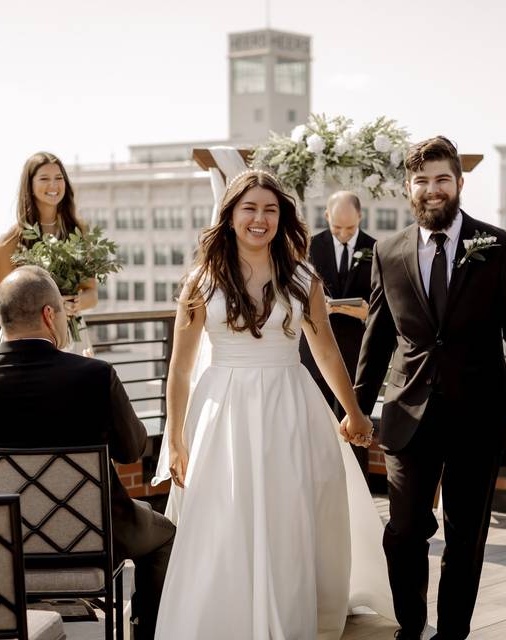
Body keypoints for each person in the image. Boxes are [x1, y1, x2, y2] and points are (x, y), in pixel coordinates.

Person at [153, 170, 392, 639]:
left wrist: (353, 410)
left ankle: (284, 619)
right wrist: (175, 439)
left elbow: (325, 350)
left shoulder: (303, 278)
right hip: (223, 409)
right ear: (230, 216)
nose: (260, 219)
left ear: (282, 218)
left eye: (270, 209)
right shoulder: (200, 283)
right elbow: (179, 370)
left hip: (289, 405)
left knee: (287, 515)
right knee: (225, 514)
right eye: (250, 209)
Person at [351, 136, 506, 640]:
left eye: (441, 179)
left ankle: (452, 633)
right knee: (404, 533)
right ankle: (410, 628)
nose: (432, 189)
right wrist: (354, 407)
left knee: (465, 537)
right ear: (408, 189)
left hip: (479, 417)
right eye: (421, 181)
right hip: (407, 414)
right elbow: (377, 334)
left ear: (459, 183)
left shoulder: (499, 246)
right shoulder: (388, 252)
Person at [0, 266, 174, 640]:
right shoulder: (94, 376)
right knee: (166, 536)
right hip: (97, 534)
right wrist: (99, 377)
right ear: (50, 316)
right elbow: (132, 451)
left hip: (1, 540)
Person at [299, 190, 376, 479]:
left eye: (350, 228)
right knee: (314, 428)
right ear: (327, 217)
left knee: (354, 427)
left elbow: (382, 305)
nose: (344, 234)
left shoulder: (376, 248)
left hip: (356, 354)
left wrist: (365, 312)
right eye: (337, 228)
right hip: (313, 355)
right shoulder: (308, 247)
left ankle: (357, 491)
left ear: (360, 217)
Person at [0, 152, 97, 341]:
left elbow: (92, 294)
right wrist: (52, 305)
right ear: (30, 185)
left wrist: (74, 304)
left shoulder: (79, 233)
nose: (53, 185)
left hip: (72, 335)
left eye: (59, 178)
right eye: (44, 178)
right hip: (27, 340)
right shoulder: (11, 241)